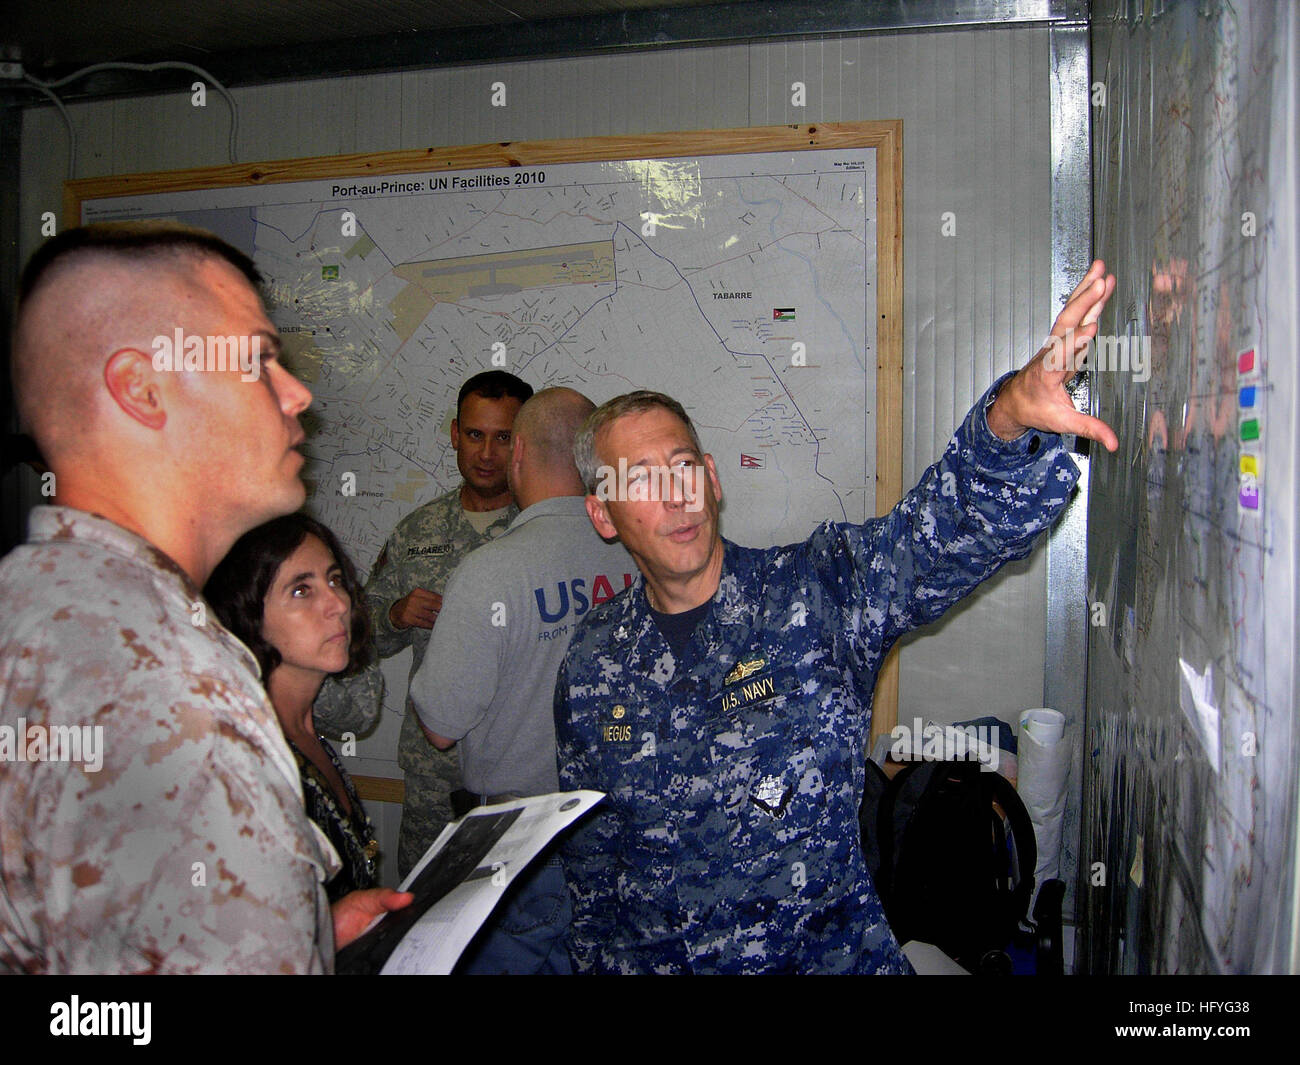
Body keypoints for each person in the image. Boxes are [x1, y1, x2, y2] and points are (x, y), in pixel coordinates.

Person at [555, 260, 1120, 974]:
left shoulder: (817, 591)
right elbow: (593, 862)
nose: (675, 495)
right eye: (641, 479)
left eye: (684, 465)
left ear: (713, 477)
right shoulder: (592, 663)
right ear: (602, 515)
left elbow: (936, 537)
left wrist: (1008, 418)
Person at [0, 222, 408, 973]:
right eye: (256, 361)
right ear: (141, 388)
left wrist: (313, 932)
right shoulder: (168, 686)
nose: (297, 393)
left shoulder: (37, 607)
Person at [409, 387, 635, 973]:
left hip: (524, 848)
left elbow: (439, 727)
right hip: (621, 834)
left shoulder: (491, 571)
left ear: (519, 454)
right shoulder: (633, 554)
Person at [352, 370, 532, 878]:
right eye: (475, 434)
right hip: (436, 774)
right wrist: (393, 614)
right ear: (455, 434)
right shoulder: (417, 532)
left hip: (524, 769)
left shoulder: (544, 531)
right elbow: (361, 630)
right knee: (428, 914)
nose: (487, 454)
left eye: (504, 437)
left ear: (524, 442)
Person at [205, 514, 385, 902]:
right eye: (302, 590)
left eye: (335, 579)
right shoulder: (248, 758)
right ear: (248, 614)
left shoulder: (303, 731)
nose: (338, 603)